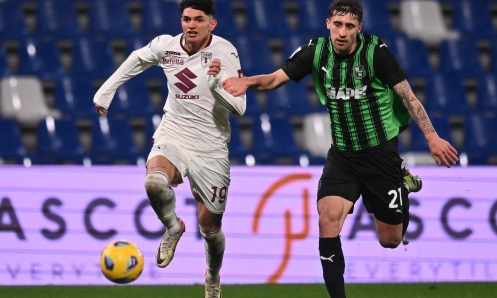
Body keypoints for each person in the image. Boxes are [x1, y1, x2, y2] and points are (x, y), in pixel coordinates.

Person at [222, 0, 458, 297]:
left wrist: (432, 136)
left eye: (349, 26)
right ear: (328, 24)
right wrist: (249, 81)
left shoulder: (376, 53)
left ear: (359, 28)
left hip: (380, 155)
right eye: (337, 25)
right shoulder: (315, 51)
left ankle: (400, 182)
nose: (342, 32)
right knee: (327, 219)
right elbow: (273, 80)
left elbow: (408, 96)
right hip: (343, 156)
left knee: (390, 240)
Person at [93, 0, 245, 296]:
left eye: (199, 20)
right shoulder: (166, 46)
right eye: (187, 19)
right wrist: (106, 90)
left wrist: (215, 84)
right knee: (154, 181)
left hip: (211, 146)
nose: (191, 25)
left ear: (212, 24)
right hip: (173, 131)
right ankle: (173, 227)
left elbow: (239, 107)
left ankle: (212, 278)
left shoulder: (224, 53)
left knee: (210, 229)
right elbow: (137, 58)